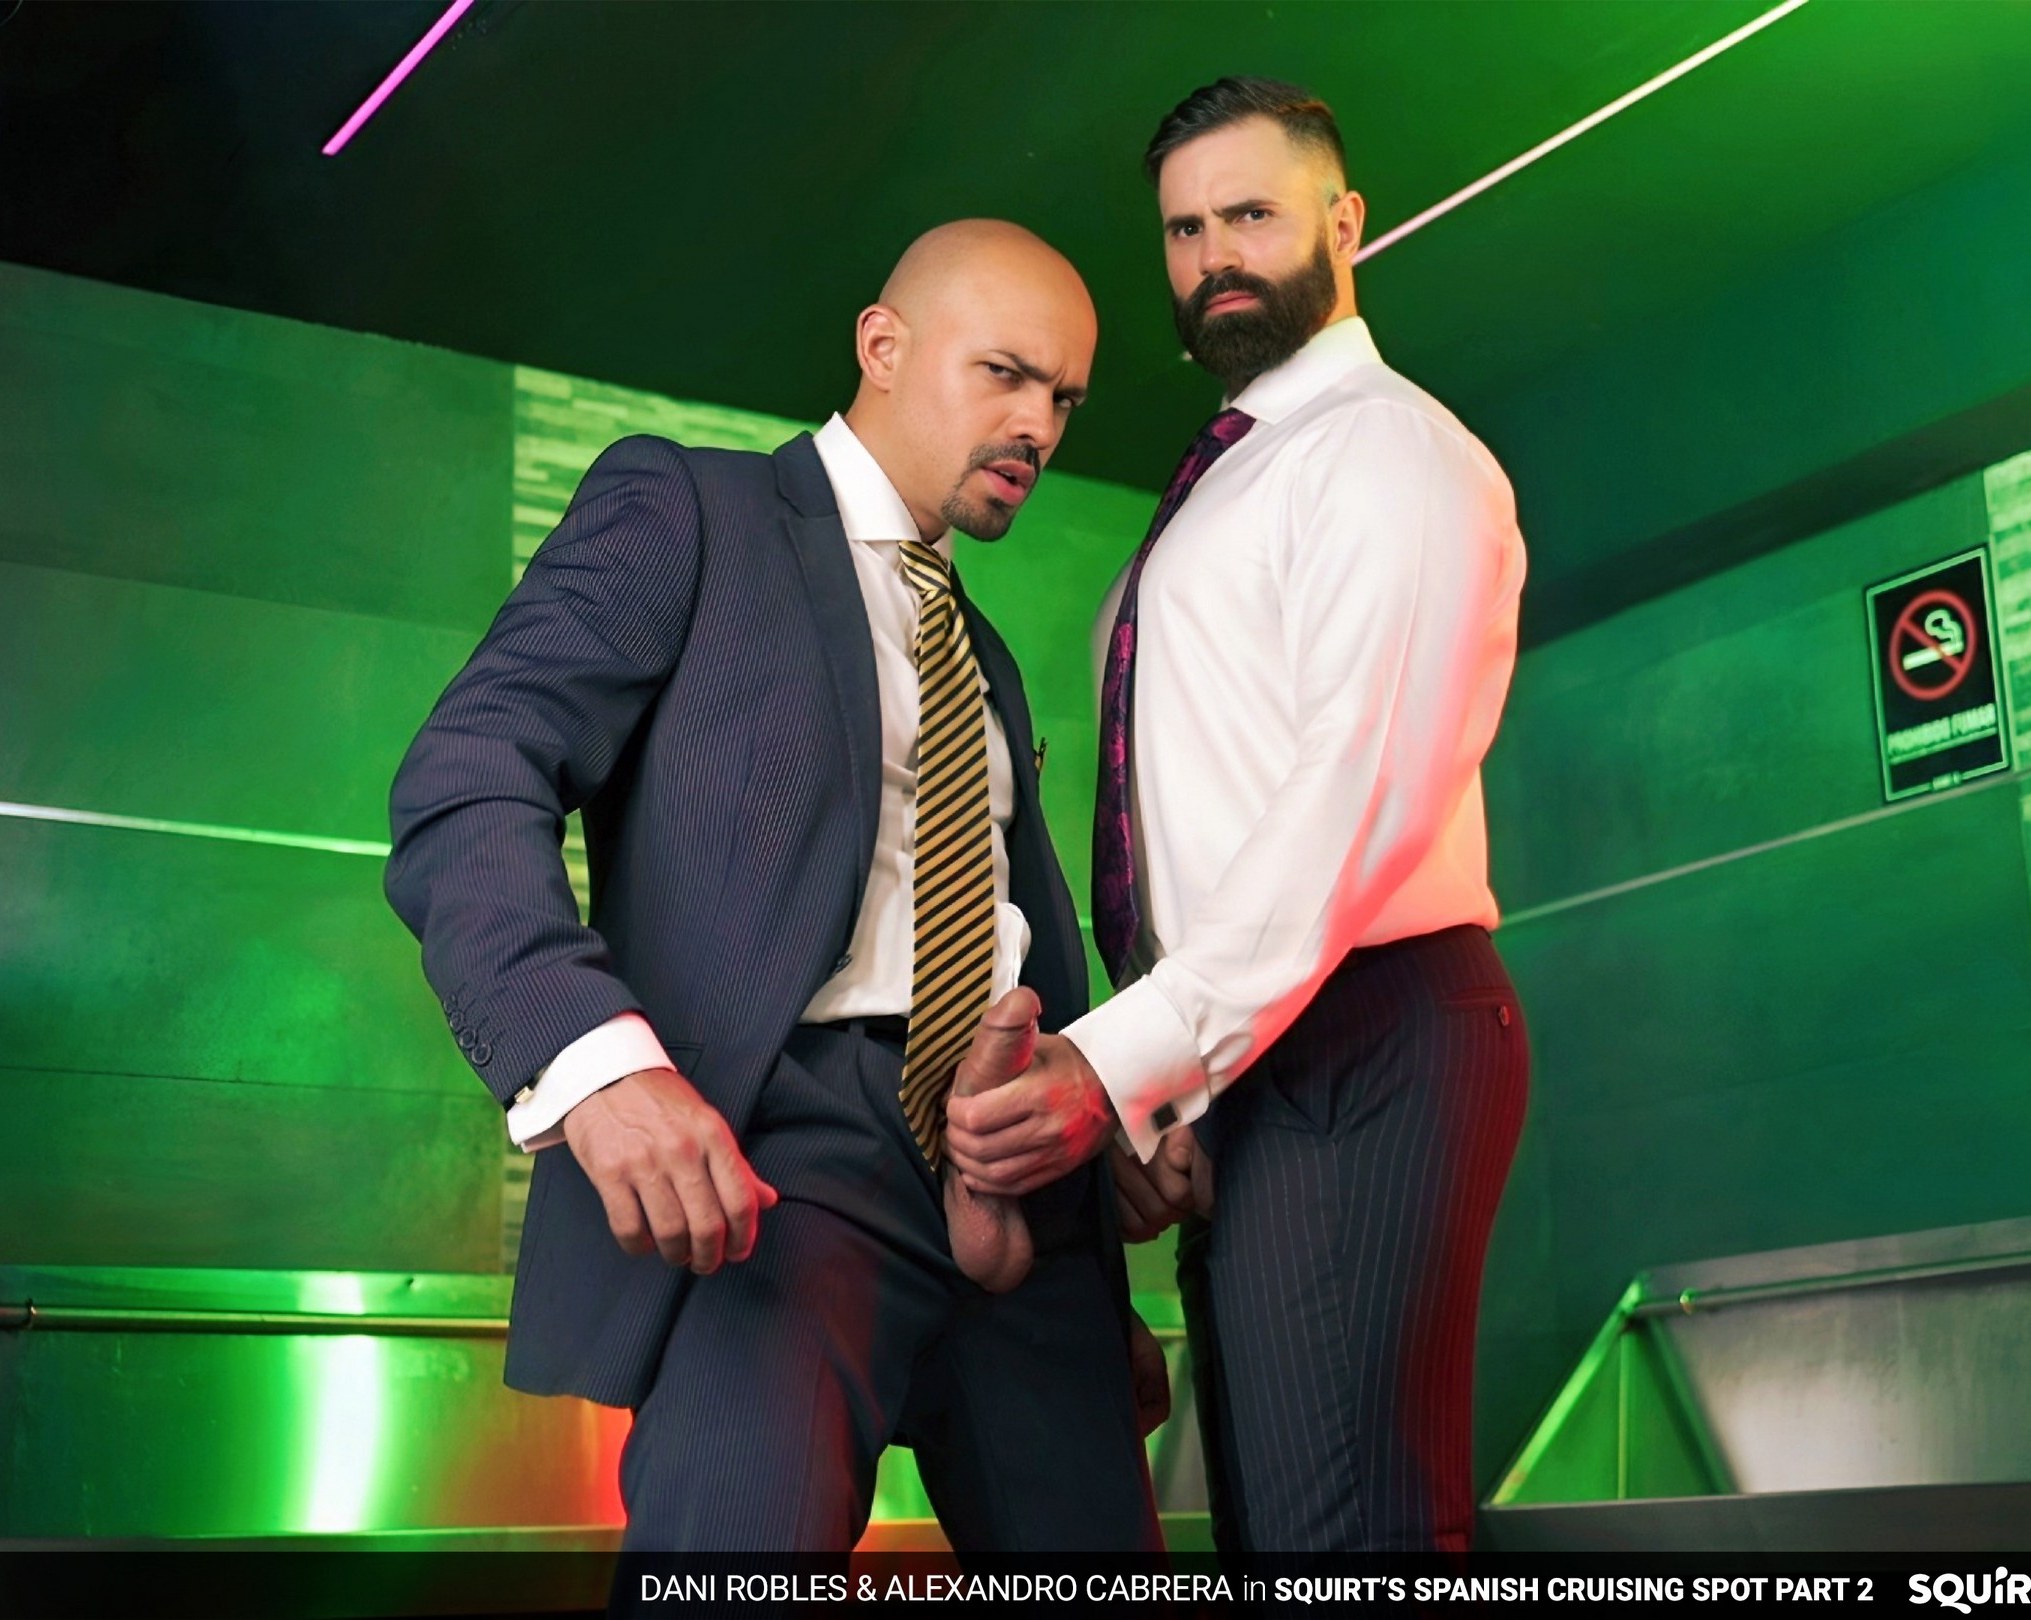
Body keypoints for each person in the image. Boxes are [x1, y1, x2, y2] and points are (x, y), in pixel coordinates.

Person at [385, 219, 1166, 1554]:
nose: (1039, 426)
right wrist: (595, 1066)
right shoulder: (692, 512)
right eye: (1005, 373)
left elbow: (1012, 937)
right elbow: (468, 778)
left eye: (1066, 400)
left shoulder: (982, 652)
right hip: (785, 1160)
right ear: (882, 345)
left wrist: (1095, 1237)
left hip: (1014, 1191)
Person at [943, 80, 1531, 1553]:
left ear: (1345, 222)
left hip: (1366, 1024)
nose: (1215, 256)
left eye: (1252, 215)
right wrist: (1176, 1087)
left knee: (1347, 1540)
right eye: (1185, 229)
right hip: (1258, 1048)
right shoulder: (1235, 468)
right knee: (1276, 1535)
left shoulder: (1388, 449)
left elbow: (1348, 803)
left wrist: (1120, 1065)